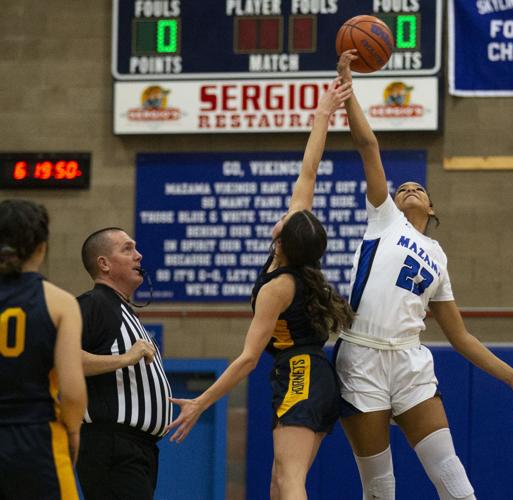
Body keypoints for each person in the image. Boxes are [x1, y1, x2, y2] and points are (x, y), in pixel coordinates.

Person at [335, 50, 513, 500]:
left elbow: (461, 336)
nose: (408, 188)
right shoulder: (384, 219)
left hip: (410, 361)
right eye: (402, 188)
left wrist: (510, 375)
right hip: (361, 356)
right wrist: (347, 88)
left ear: (431, 209)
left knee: (452, 479)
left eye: (419, 189)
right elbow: (368, 146)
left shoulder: (438, 256)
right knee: (379, 487)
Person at [166, 78, 354, 499]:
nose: (286, 213)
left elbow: (249, 358)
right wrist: (324, 112)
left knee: (289, 483)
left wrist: (202, 402)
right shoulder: (293, 258)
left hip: (301, 374)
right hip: (303, 374)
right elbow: (310, 169)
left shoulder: (279, 287)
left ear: (283, 239)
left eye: (288, 219)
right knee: (278, 484)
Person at [76, 227, 173, 500]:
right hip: (113, 444)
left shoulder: (121, 309)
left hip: (138, 448)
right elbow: (63, 359)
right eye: (127, 249)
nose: (139, 256)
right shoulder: (94, 303)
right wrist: (125, 358)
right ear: (104, 264)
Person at [0, 199, 87, 500]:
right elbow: (72, 389)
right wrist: (73, 430)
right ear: (42, 247)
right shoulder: (60, 303)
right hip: (36, 438)